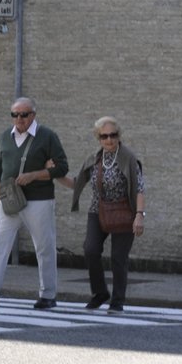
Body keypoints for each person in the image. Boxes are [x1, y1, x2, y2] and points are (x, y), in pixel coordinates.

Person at [0, 97, 69, 310]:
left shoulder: (47, 136)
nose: (19, 119)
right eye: (15, 115)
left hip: (39, 199)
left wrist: (35, 175)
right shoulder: (5, 137)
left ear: (33, 115)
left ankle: (47, 294)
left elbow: (62, 167)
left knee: (44, 246)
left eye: (24, 114)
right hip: (9, 199)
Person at [66, 117, 145, 314]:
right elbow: (78, 183)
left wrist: (139, 215)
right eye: (104, 136)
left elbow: (139, 189)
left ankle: (117, 301)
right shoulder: (94, 159)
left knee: (119, 257)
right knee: (90, 249)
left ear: (119, 136)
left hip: (124, 211)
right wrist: (54, 174)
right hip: (97, 210)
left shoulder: (128, 158)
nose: (109, 140)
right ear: (98, 138)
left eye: (113, 135)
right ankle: (100, 292)